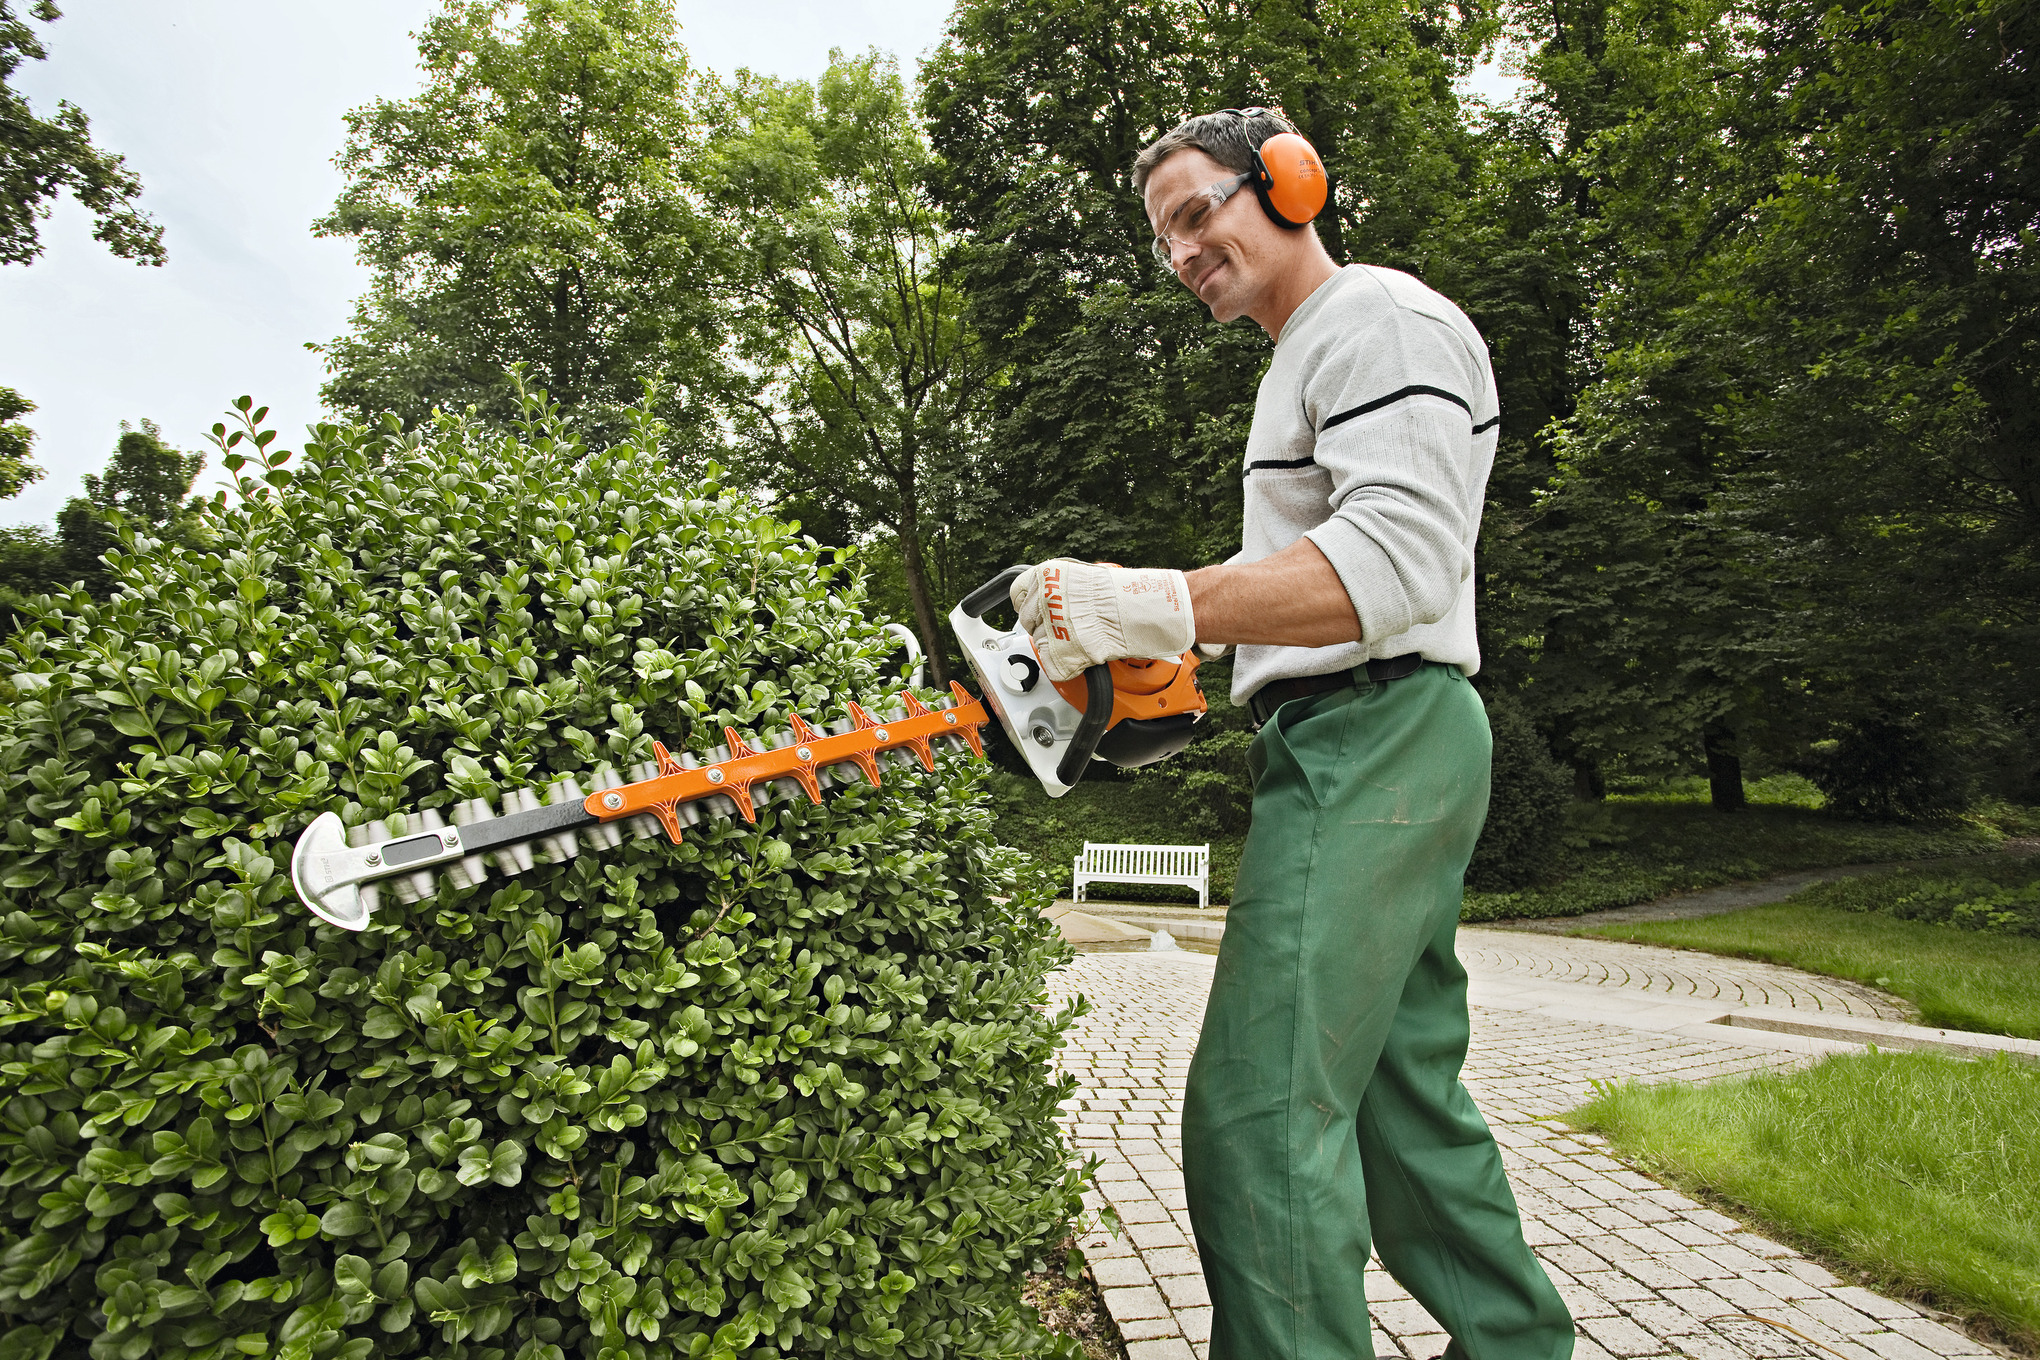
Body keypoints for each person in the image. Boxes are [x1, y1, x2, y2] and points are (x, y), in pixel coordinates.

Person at [1009, 108, 1575, 1360]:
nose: (1180, 250)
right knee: (1397, 1111)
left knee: (1259, 1117)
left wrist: (1153, 598)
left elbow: (1398, 562)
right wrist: (1161, 645)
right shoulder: (1307, 354)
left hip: (1378, 734)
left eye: (1198, 210)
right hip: (1349, 734)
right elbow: (1303, 588)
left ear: (1291, 180)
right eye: (1163, 235)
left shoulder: (1381, 321)